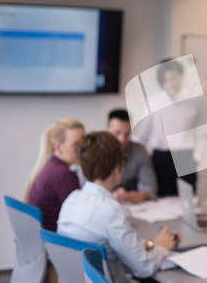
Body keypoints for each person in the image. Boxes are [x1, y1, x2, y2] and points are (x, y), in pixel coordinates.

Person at [57, 131, 180, 283]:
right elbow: (144, 268)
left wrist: (151, 244)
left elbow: (111, 241)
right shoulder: (111, 210)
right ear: (117, 168)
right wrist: (162, 248)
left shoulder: (71, 199)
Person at [133, 59, 205, 196]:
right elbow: (143, 132)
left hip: (185, 156)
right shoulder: (153, 101)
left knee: (188, 200)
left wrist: (197, 157)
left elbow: (200, 132)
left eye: (173, 77)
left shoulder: (195, 100)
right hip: (161, 158)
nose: (170, 82)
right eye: (165, 79)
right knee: (162, 200)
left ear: (181, 76)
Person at [25, 117, 85, 231]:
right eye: (76, 145)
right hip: (57, 242)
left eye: (84, 143)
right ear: (57, 146)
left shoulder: (51, 167)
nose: (82, 149)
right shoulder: (64, 175)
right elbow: (80, 218)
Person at [107, 109, 157, 203]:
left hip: (129, 204)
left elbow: (151, 185)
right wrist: (109, 197)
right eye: (117, 133)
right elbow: (85, 187)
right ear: (107, 130)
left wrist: (140, 195)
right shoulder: (96, 152)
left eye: (127, 134)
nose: (122, 139)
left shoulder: (139, 150)